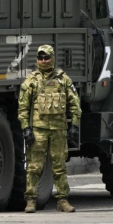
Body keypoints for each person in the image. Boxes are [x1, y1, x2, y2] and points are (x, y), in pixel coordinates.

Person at [18, 45, 81, 213]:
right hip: (38, 130)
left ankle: (62, 200)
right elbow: (23, 108)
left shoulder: (63, 79)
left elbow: (74, 104)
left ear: (52, 58)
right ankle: (31, 200)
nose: (43, 61)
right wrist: (26, 129)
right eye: (40, 58)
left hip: (58, 130)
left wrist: (74, 125)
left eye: (46, 57)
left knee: (59, 166)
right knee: (34, 166)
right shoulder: (31, 80)